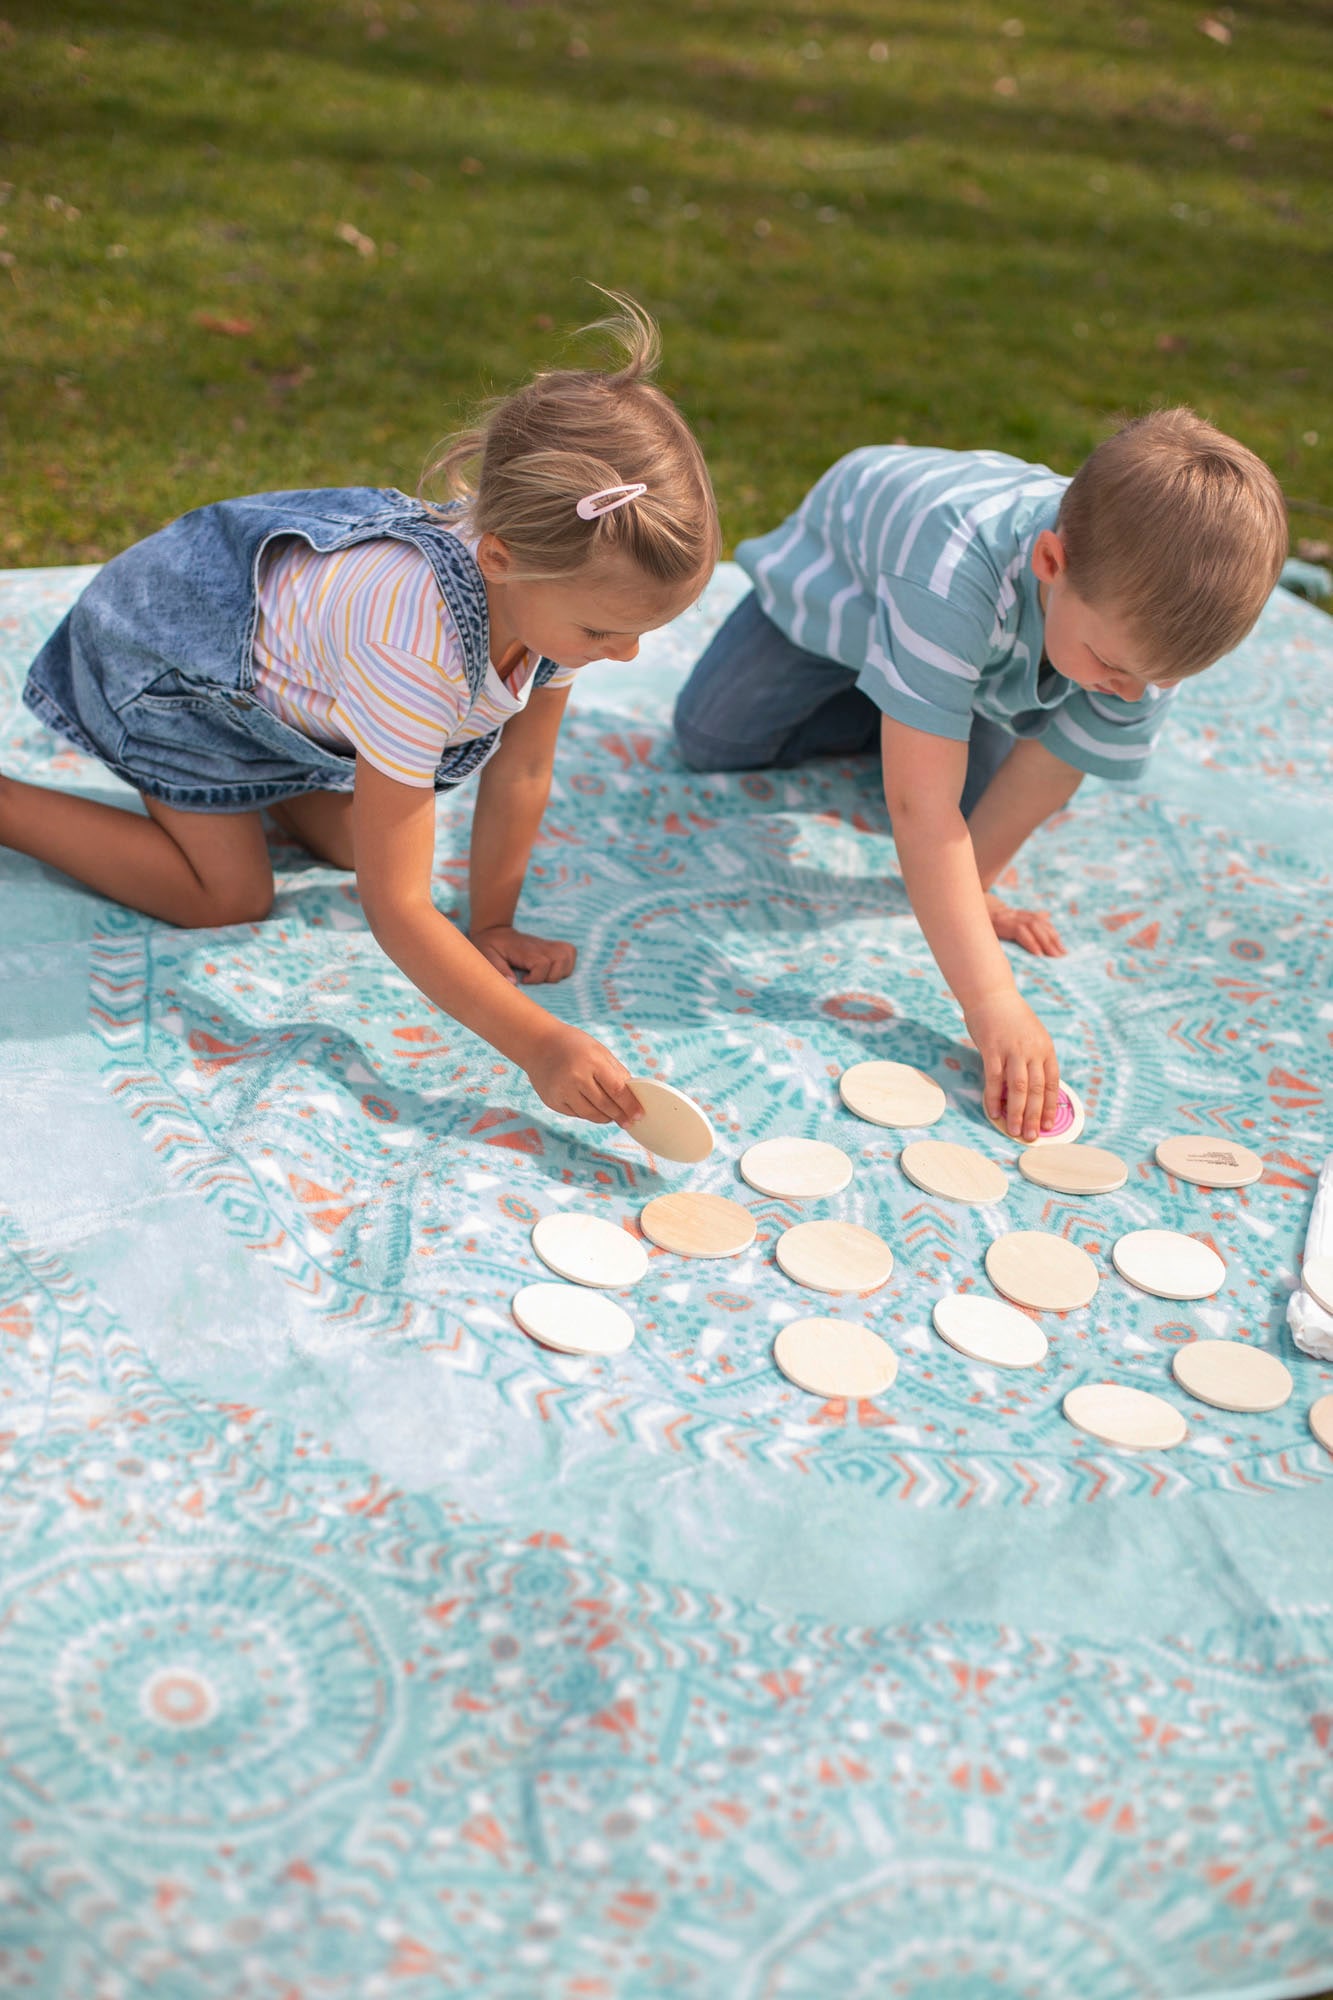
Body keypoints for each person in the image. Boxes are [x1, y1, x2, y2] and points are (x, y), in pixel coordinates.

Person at [5, 298, 719, 1129]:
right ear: (498, 558)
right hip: (165, 665)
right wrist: (538, 1044)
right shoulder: (413, 648)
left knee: (354, 841)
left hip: (278, 699)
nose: (625, 654)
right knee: (227, 897)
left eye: (640, 632)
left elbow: (523, 768)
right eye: (607, 631)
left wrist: (490, 922)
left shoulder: (552, 594)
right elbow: (398, 909)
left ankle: (259, 791)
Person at [674, 411, 1287, 1141]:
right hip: (842, 587)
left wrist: (977, 884)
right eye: (1113, 669)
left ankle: (921, 700)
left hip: (977, 638)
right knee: (713, 737)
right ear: (1051, 564)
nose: (1129, 692)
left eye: (1150, 680)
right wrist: (991, 999)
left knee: (963, 822)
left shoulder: (1147, 634)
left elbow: (1049, 770)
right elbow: (917, 805)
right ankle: (910, 696)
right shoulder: (947, 561)